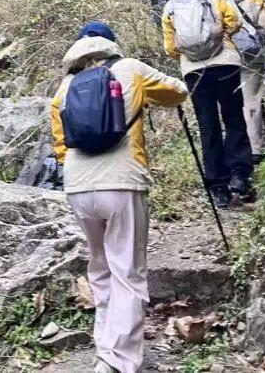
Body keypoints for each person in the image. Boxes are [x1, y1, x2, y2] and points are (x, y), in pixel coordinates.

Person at [51, 21, 188, 373]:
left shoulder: (65, 86)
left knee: (100, 265)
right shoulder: (130, 69)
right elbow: (178, 91)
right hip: (122, 182)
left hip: (78, 188)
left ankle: (105, 347)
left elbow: (61, 146)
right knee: (127, 271)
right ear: (111, 45)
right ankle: (118, 360)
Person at [161, 0, 254, 208]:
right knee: (234, 118)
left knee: (208, 125)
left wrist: (192, 53)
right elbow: (234, 22)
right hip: (225, 64)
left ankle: (218, 188)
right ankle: (239, 176)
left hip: (194, 71)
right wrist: (219, 36)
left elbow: (171, 49)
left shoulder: (171, 4)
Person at [214, 0, 265, 163]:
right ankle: (255, 148)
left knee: (230, 102)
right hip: (251, 54)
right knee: (252, 100)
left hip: (224, 56)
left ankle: (236, 148)